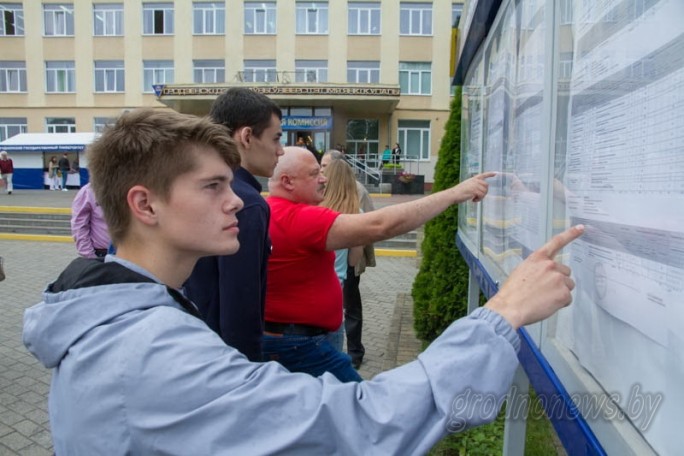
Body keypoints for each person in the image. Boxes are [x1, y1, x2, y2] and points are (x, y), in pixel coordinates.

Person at [22, 107, 585, 455]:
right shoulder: (152, 351)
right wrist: (501, 315)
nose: (237, 205)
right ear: (144, 204)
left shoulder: (115, 313)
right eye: (213, 187)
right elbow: (359, 427)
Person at [263, 147, 495, 382]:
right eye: (314, 174)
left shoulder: (272, 210)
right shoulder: (298, 217)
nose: (323, 179)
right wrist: (454, 194)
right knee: (359, 408)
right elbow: (381, 225)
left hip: (296, 337)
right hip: (303, 345)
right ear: (287, 181)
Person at [184, 87, 284, 362]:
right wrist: (247, 370)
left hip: (194, 345)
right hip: (226, 359)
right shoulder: (246, 203)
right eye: (275, 138)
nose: (281, 150)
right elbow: (240, 301)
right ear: (247, 136)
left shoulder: (196, 186)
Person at [321, 149, 376, 368]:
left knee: (350, 308)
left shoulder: (314, 207)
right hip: (340, 276)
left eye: (325, 166)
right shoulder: (356, 210)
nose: (321, 170)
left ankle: (353, 354)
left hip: (324, 280)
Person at [319, 159, 364, 353]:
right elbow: (354, 260)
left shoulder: (315, 208)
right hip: (337, 287)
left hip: (312, 285)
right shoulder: (356, 213)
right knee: (333, 350)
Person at [70, 182, 112, 258]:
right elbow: (79, 226)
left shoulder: (131, 188)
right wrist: (90, 256)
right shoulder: (88, 191)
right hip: (102, 254)